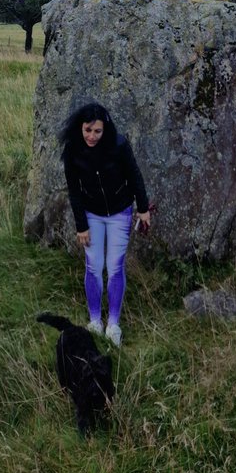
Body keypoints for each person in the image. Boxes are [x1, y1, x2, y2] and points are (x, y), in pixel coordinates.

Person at [60, 101, 151, 347]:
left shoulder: (119, 145)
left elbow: (134, 175)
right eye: (87, 130)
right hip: (91, 214)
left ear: (105, 129)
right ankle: (94, 322)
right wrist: (81, 226)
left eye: (97, 131)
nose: (92, 136)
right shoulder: (72, 149)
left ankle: (113, 324)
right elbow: (74, 190)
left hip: (120, 212)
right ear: (80, 128)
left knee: (115, 267)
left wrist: (143, 209)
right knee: (93, 266)